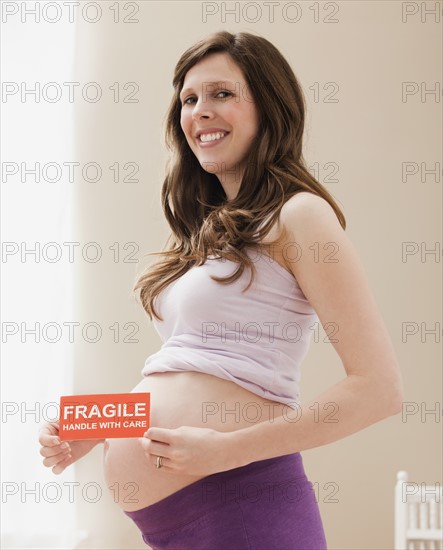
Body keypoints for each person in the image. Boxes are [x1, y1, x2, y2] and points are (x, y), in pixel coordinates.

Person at [38, 31, 404, 549]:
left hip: (244, 507)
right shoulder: (209, 234)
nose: (200, 111)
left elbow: (379, 389)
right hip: (177, 524)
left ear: (269, 107)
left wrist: (227, 451)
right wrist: (94, 421)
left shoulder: (299, 215)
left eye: (222, 94)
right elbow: (196, 364)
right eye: (189, 99)